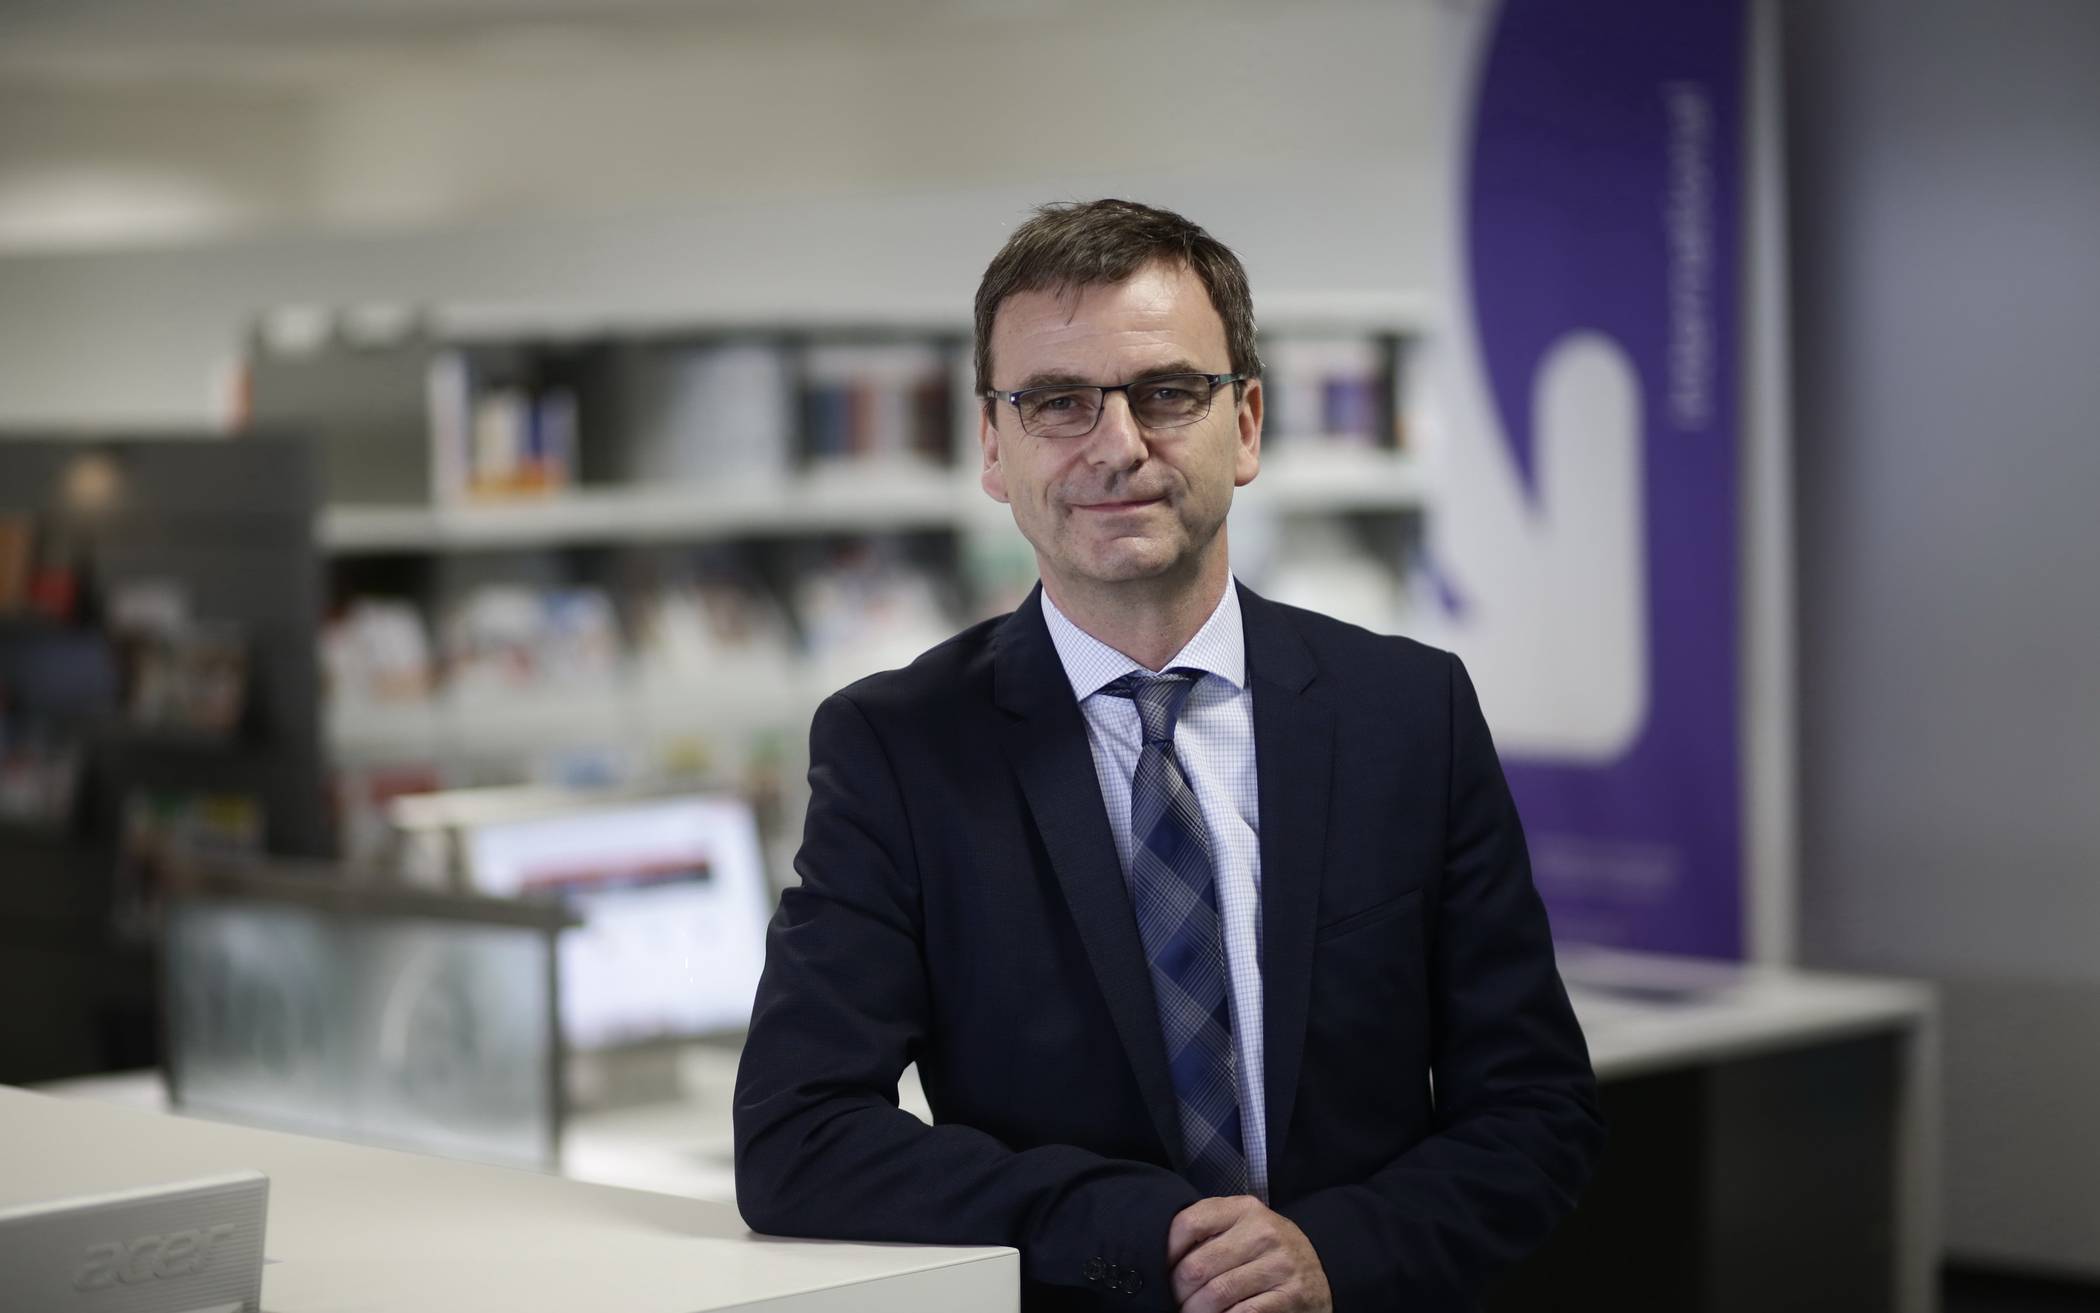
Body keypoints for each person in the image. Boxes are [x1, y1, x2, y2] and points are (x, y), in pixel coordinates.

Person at [734, 199, 1604, 1312]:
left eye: (1168, 392)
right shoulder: (898, 749)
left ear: (1246, 423)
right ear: (993, 446)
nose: (1117, 445)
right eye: (1057, 402)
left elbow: (1537, 1109)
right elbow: (798, 1134)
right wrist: (1140, 1234)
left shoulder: (1408, 714)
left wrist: (1334, 1252)